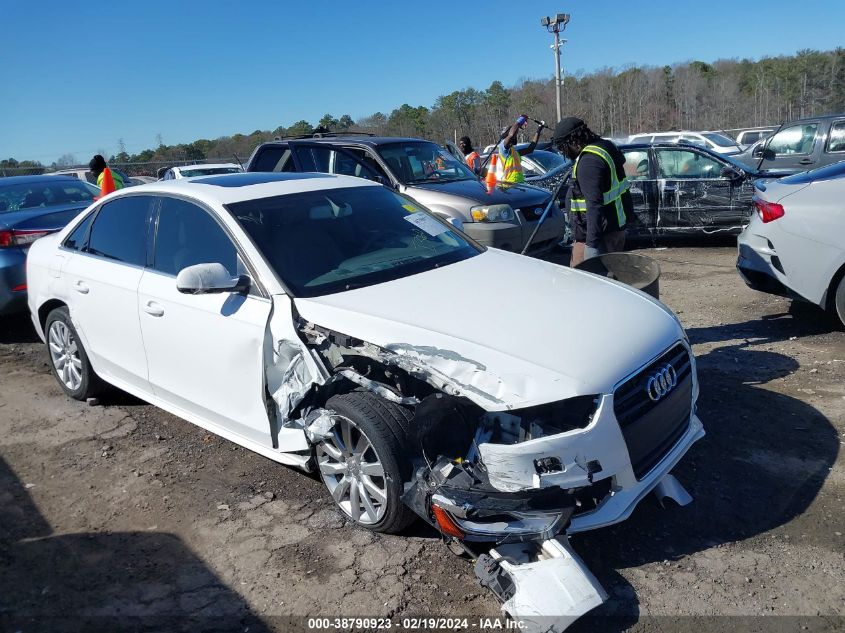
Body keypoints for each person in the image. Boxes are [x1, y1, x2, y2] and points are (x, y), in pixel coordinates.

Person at [552, 117, 633, 267]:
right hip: (614, 230)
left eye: (563, 147)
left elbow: (594, 206)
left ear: (573, 142)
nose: (564, 152)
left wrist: (591, 247)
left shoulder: (589, 162)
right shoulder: (606, 146)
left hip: (596, 237)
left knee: (583, 284)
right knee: (612, 280)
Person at [495, 115, 542, 184]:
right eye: (515, 133)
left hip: (519, 184)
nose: (516, 135)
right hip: (509, 185)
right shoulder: (503, 148)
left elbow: (530, 149)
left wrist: (539, 130)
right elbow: (511, 135)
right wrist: (520, 120)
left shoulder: (514, 152)